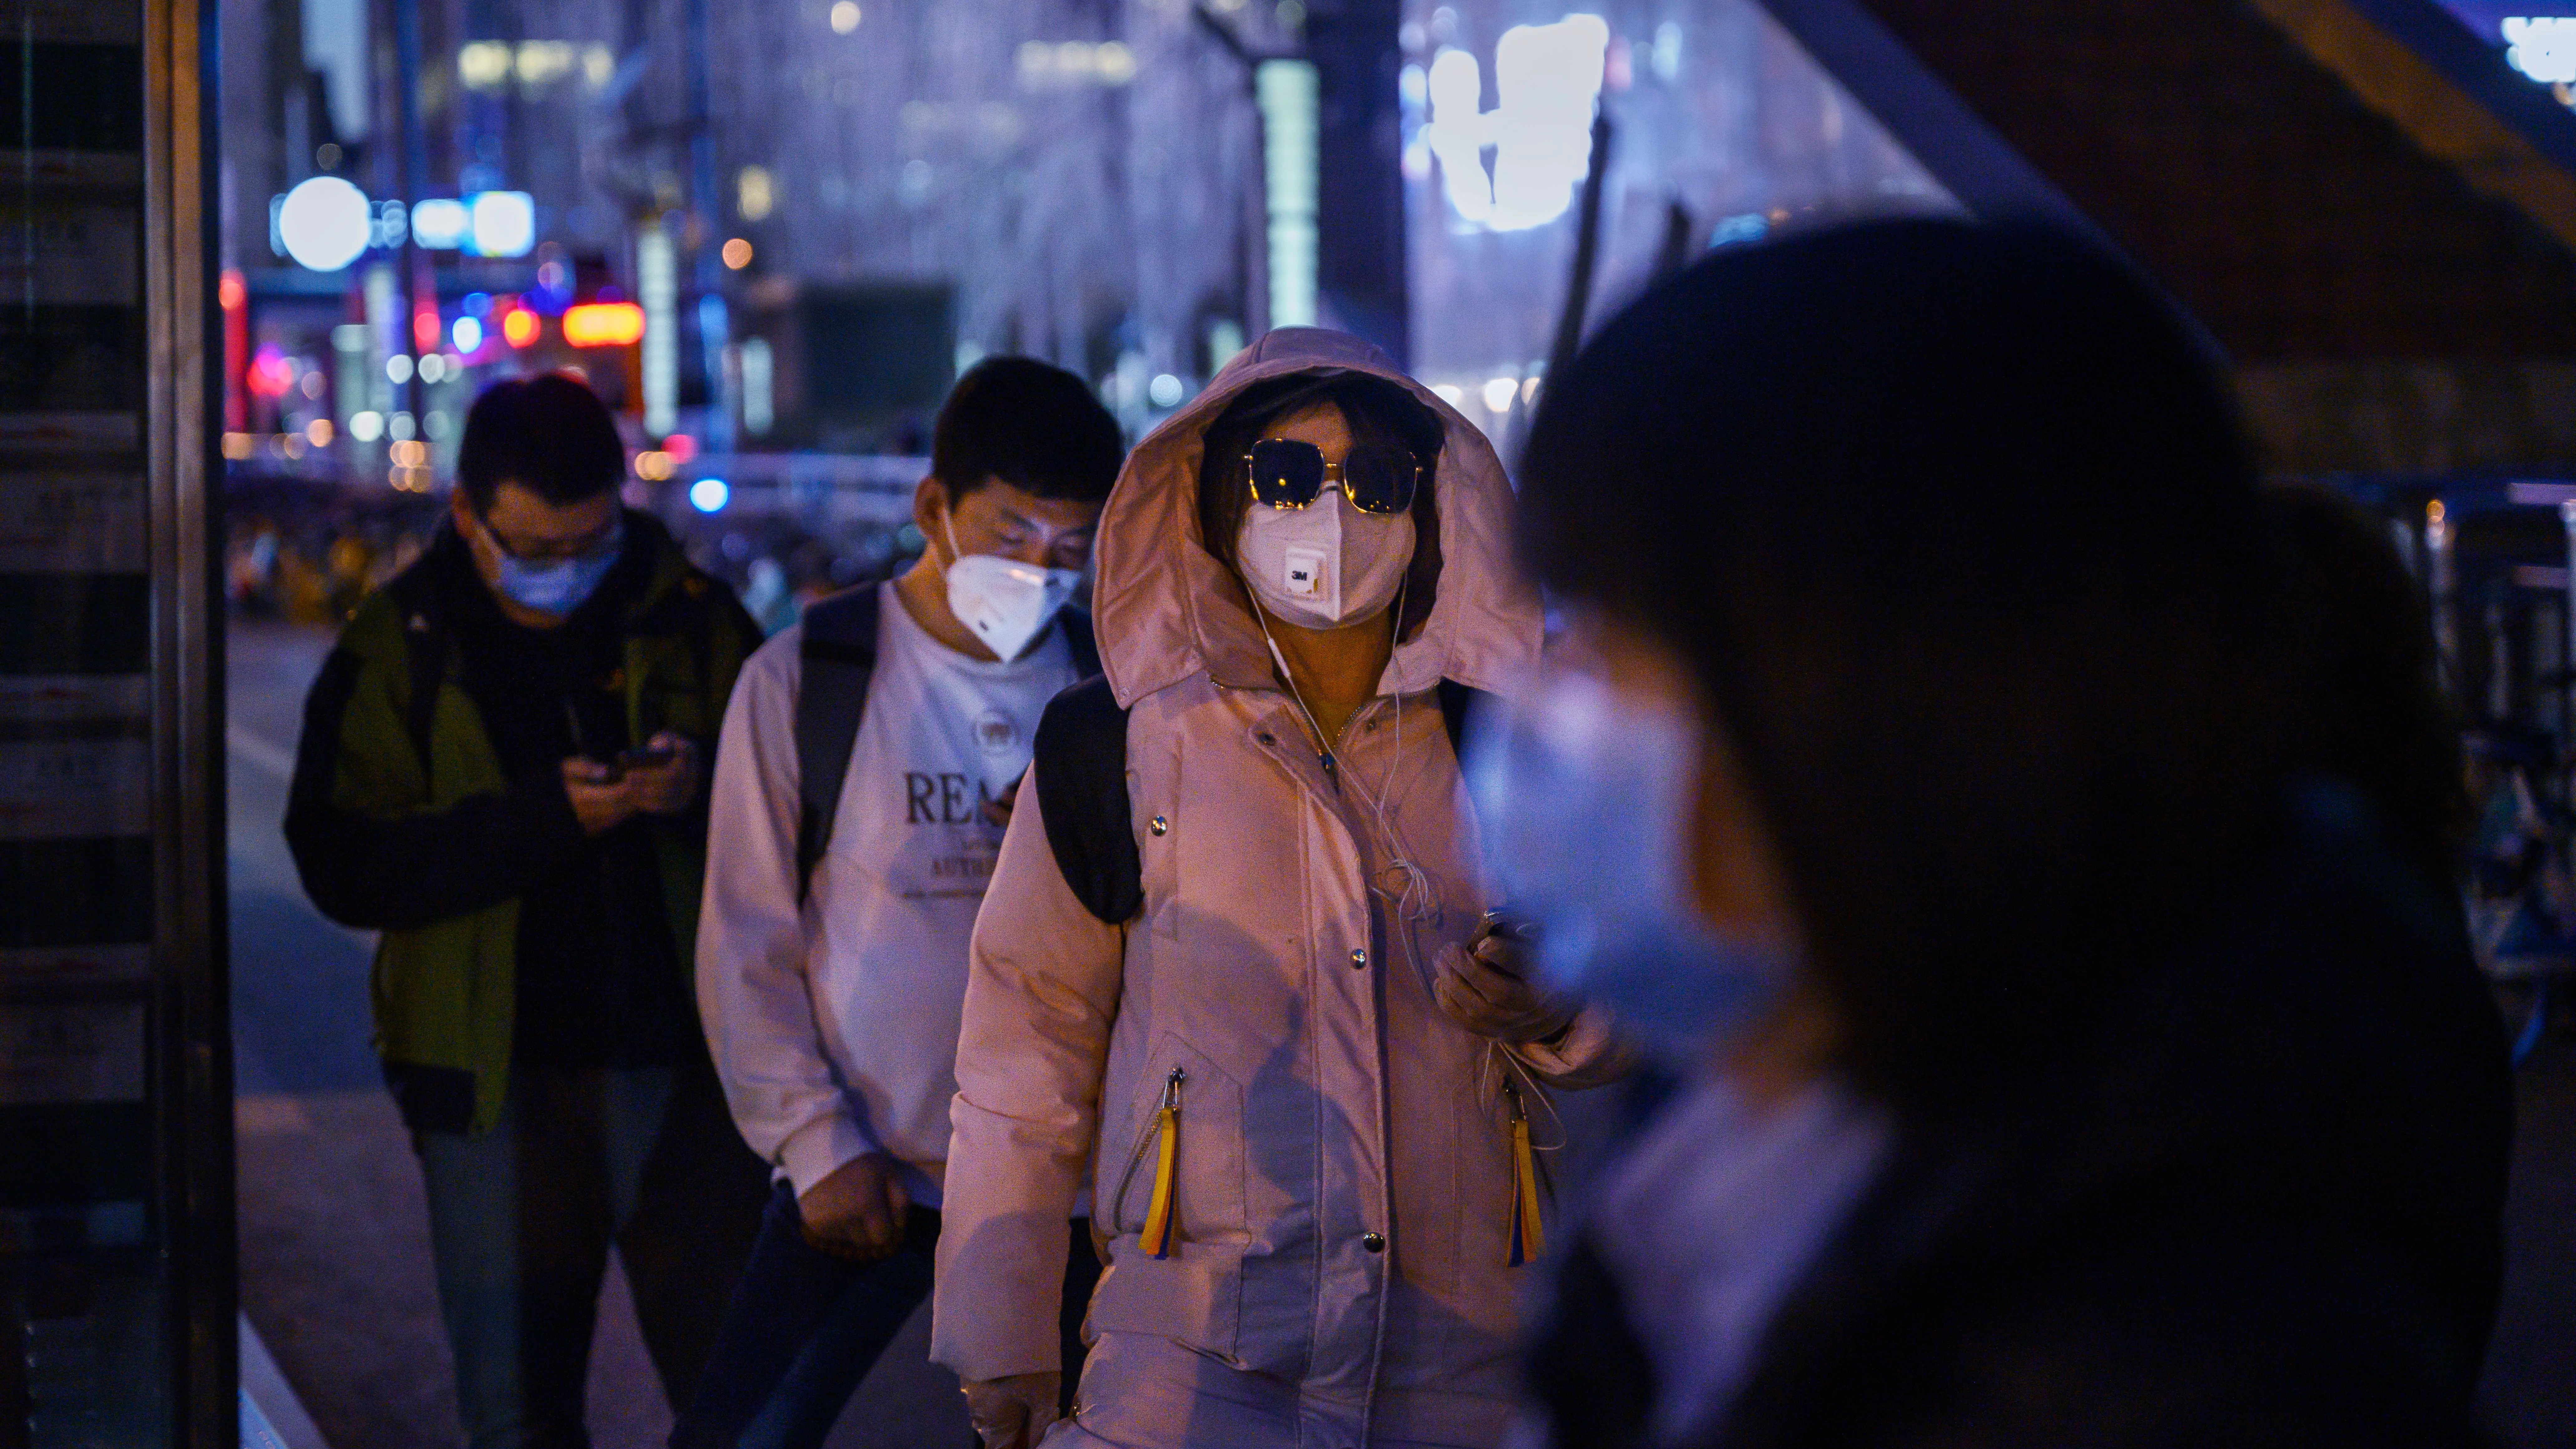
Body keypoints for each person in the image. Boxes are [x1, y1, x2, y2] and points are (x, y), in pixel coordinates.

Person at [1489, 218, 2512, 1448]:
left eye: (1607, 636)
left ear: (1887, 682)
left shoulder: (2168, 1364)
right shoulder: (1747, 1136)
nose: (1549, 704)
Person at [929, 329, 1628, 1449]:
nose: (1332, 517)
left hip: (1466, 1360)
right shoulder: (1110, 743)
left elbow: (1653, 991)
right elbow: (1026, 1045)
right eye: (1289, 477)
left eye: (1377, 482)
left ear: (1433, 503)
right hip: (1193, 1358)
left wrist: (1556, 1010)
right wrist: (1000, 1326)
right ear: (1212, 500)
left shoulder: (1518, 741)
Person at [284, 373, 770, 1448]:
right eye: (536, 552)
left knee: (744, 1399)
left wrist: (699, 793)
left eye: (590, 543)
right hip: (491, 1087)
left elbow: (803, 817)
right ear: (469, 514)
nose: (567, 572)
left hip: (688, 1074)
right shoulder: (400, 641)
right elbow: (340, 859)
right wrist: (540, 818)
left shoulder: (695, 620)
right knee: (517, 1410)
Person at [675, 356, 1125, 1449]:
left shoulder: (1112, 694)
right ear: (934, 507)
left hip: (1062, 1192)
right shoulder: (810, 677)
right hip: (867, 1168)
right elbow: (746, 939)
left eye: (1070, 550)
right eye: (1012, 535)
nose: (1038, 571)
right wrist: (816, 1141)